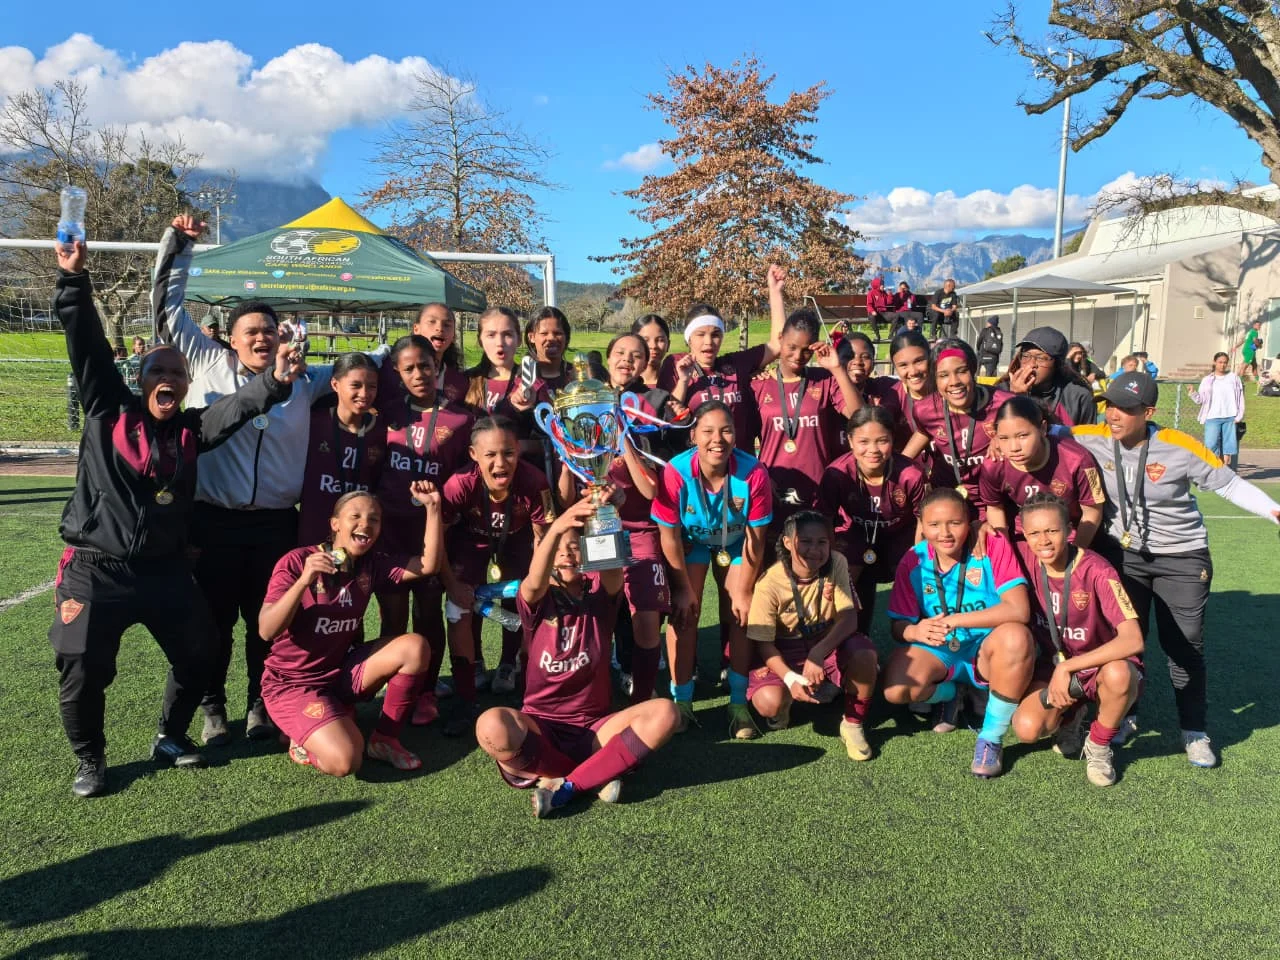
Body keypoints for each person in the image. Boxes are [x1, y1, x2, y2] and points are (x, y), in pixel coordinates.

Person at [50, 238, 303, 798]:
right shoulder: (107, 412)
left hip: (164, 570)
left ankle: (170, 734)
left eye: (177, 373)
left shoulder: (191, 430)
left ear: (189, 385)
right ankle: (90, 759)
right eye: (156, 370)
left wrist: (278, 382)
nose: (168, 379)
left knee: (202, 650)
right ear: (140, 379)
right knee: (83, 670)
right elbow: (86, 343)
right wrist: (73, 281)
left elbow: (236, 409)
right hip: (97, 570)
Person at [153, 215, 383, 747]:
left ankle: (261, 704)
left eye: (270, 332)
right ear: (230, 339)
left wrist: (417, 347)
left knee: (274, 625)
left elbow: (364, 369)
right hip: (213, 521)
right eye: (250, 332)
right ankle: (214, 709)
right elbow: (166, 309)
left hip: (277, 525)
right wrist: (180, 245)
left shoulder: (304, 378)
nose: (262, 339)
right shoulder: (206, 361)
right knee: (212, 626)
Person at [1070, 372, 1280, 767]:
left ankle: (1194, 730)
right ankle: (1126, 716)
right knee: (1127, 642)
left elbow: (1231, 486)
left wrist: (1274, 512)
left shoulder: (1179, 446)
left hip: (1182, 557)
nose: (1113, 415)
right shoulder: (1089, 435)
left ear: (1147, 412)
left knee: (1183, 646)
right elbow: (1036, 429)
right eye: (1110, 405)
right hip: (1122, 555)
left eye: (1126, 409)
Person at [474, 495, 680, 818]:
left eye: (574, 548)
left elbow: (613, 573)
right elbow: (533, 581)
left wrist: (607, 515)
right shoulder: (535, 603)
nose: (566, 554)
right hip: (542, 726)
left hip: (595, 729)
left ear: (586, 555)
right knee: (490, 726)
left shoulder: (600, 598)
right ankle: (597, 773)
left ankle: (568, 785)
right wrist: (555, 528)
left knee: (667, 713)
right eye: (558, 549)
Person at [259, 486, 443, 775]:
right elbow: (267, 630)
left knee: (415, 647)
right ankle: (302, 734)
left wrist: (432, 508)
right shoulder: (297, 561)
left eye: (374, 519)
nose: (365, 524)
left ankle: (384, 738)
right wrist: (304, 580)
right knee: (346, 761)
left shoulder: (370, 564)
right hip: (293, 684)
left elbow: (428, 565)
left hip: (340, 671)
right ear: (335, 524)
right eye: (354, 516)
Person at [883, 488, 1035, 778]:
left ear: (969, 521)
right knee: (896, 690)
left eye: (954, 523)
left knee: (1017, 637)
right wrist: (915, 630)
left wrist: (957, 619)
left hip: (988, 646)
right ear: (922, 526)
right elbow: (897, 626)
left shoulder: (991, 543)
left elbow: (1019, 610)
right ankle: (952, 693)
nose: (945, 533)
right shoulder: (913, 560)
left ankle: (990, 738)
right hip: (942, 650)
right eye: (934, 525)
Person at [651, 401, 773, 738]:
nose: (717, 439)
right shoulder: (675, 472)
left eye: (726, 430)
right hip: (693, 546)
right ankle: (682, 704)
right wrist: (680, 587)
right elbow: (669, 535)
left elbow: (756, 539)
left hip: (735, 546)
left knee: (740, 613)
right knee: (684, 613)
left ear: (736, 435)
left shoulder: (753, 473)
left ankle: (737, 704)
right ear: (693, 436)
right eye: (707, 431)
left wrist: (746, 591)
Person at [1008, 494, 1144, 787]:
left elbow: (1133, 640)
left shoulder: (1098, 570)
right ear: (1024, 534)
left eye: (1052, 531)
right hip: (1052, 665)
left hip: (1099, 666)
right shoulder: (1022, 558)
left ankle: (1098, 743)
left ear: (1069, 531)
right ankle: (1073, 716)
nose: (1043, 540)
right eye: (1034, 533)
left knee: (1120, 674)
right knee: (1027, 729)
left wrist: (1068, 668)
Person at [375, 335, 474, 723]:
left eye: (425, 366)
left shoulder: (461, 419)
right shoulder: (385, 413)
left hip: (435, 532)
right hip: (391, 530)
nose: (419, 374)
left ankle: (427, 690)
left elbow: (468, 474)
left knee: (429, 613)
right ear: (398, 373)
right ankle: (395, 686)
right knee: (393, 615)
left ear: (437, 367)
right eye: (409, 368)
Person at [437, 416, 552, 735]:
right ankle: (466, 695)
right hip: (469, 543)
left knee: (529, 602)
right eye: (490, 455)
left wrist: (538, 581)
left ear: (518, 450)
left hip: (517, 543)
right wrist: (451, 583)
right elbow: (438, 542)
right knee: (458, 607)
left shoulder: (535, 481)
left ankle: (515, 674)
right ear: (474, 455)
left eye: (508, 453)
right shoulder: (459, 484)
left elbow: (544, 536)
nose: (500, 462)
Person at [745, 511, 878, 759]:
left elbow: (849, 619)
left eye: (822, 542)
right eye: (805, 542)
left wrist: (817, 654)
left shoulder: (837, 562)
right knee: (768, 703)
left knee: (865, 655)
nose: (814, 550)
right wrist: (789, 678)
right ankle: (790, 700)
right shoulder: (769, 583)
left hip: (825, 643)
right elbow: (763, 644)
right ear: (787, 542)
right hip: (784, 650)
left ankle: (853, 723)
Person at [821, 406, 929, 632]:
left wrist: (919, 559)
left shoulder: (911, 474)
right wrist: (832, 562)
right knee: (842, 578)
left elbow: (924, 521)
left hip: (901, 536)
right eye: (863, 442)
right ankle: (851, 642)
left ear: (893, 439)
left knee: (918, 577)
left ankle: (916, 639)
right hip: (856, 534)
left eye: (882, 441)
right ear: (850, 441)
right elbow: (826, 519)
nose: (873, 450)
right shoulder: (836, 473)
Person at [752, 301, 859, 527]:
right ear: (780, 339)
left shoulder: (825, 379)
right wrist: (758, 474)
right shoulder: (758, 385)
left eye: (806, 349)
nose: (798, 355)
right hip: (773, 487)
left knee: (815, 557)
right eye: (792, 346)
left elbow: (860, 416)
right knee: (774, 558)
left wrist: (837, 368)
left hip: (818, 489)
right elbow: (742, 440)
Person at [658, 265, 786, 446]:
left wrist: (775, 292)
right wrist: (683, 382)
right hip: (699, 466)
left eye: (716, 334)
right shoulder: (676, 365)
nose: (709, 341)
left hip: (740, 466)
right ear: (689, 339)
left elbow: (778, 344)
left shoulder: (735, 364)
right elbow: (669, 415)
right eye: (701, 335)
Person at [978, 395, 1105, 547]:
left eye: (1023, 436)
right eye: (1004, 438)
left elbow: (1093, 511)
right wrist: (1005, 552)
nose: (1014, 448)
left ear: (1043, 428)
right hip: (1022, 537)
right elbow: (994, 508)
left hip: (1068, 538)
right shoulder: (993, 464)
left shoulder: (1080, 460)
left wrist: (1075, 556)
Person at [902, 339, 1014, 507]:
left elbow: (1039, 432)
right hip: (945, 500)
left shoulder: (1006, 405)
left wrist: (1007, 438)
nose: (954, 381)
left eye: (962, 371)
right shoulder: (924, 409)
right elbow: (922, 433)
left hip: (994, 503)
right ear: (935, 378)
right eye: (943, 375)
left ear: (973, 370)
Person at [296, 353, 386, 546]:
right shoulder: (312, 422)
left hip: (360, 538)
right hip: (314, 534)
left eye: (372, 386)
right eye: (356, 385)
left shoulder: (381, 430)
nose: (364, 394)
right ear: (335, 385)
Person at [1000, 326, 1097, 426]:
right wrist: (1014, 398)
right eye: (1026, 356)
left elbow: (1088, 439)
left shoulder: (1078, 398)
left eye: (1041, 358)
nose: (1032, 364)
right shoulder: (1001, 392)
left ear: (1057, 364)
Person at [1187, 352, 1245, 469]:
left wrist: (1239, 416)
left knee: (1228, 449)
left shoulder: (1234, 378)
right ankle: (1214, 471)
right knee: (1211, 445)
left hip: (1230, 417)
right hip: (1212, 417)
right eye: (1220, 362)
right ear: (1214, 362)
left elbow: (1240, 398)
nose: (1222, 365)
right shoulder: (1207, 380)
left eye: (1225, 363)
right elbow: (1201, 400)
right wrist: (1193, 393)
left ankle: (1224, 473)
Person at [632, 314, 671, 389]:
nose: (653, 346)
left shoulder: (677, 384)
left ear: (668, 345)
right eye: (645, 340)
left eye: (660, 340)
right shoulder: (622, 383)